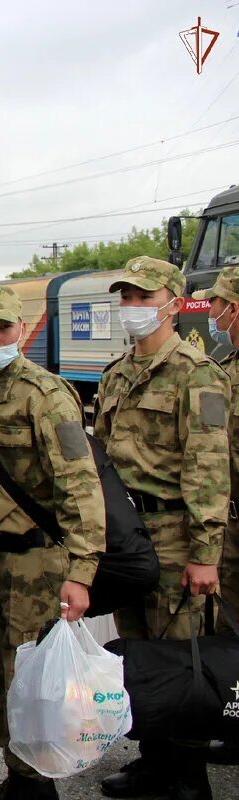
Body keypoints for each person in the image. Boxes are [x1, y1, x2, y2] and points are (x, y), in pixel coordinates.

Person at [0, 285, 107, 800]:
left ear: (19, 330)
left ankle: (40, 786)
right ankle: (18, 774)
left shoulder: (47, 394)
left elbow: (80, 483)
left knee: (35, 682)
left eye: (2, 328)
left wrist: (81, 572)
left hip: (41, 561)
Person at [94, 256, 229, 800]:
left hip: (177, 534)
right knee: (140, 652)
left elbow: (209, 468)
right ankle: (153, 761)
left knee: (181, 653)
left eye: (144, 297)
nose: (133, 307)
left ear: (173, 303)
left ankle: (188, 777)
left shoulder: (197, 374)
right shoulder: (117, 372)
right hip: (128, 536)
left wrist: (206, 553)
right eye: (126, 297)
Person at [191, 267, 239, 766]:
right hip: (231, 522)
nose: (214, 314)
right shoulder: (226, 365)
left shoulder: (210, 370)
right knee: (227, 627)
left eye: (218, 304)